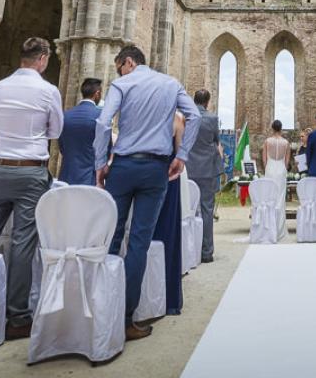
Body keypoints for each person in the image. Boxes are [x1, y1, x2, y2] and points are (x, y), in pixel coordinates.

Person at [95, 44, 200, 342]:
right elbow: (193, 116)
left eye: (119, 67)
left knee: (110, 236)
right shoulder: (171, 84)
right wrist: (182, 156)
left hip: (124, 165)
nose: (119, 72)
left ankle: (102, 308)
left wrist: (100, 163)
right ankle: (126, 319)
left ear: (128, 62)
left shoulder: (122, 84)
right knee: (139, 242)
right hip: (156, 169)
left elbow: (103, 122)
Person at [0, 37, 63, 340]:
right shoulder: (48, 90)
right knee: (23, 243)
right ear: (42, 59)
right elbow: (55, 130)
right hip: (29, 171)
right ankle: (17, 316)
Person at [150, 113, 186, 316]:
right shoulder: (175, 118)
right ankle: (165, 297)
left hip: (134, 173)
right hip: (168, 177)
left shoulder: (140, 111)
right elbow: (180, 153)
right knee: (166, 232)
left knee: (138, 236)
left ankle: (132, 303)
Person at [185, 89, 224, 263]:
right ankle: (206, 252)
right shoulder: (212, 118)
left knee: (188, 209)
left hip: (188, 168)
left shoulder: (185, 117)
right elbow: (216, 141)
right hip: (207, 168)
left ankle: (188, 251)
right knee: (207, 210)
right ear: (207, 102)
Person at [57, 77, 102, 185]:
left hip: (67, 174)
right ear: (97, 93)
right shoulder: (100, 115)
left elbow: (62, 145)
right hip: (89, 177)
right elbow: (105, 148)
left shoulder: (65, 115)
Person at [262, 120, 291, 211]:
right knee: (280, 195)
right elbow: (287, 161)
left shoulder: (267, 141)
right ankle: (279, 223)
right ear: (281, 129)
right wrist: (284, 168)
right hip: (281, 168)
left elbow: (264, 159)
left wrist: (266, 167)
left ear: (272, 128)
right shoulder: (286, 143)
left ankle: (270, 221)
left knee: (269, 194)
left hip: (270, 168)